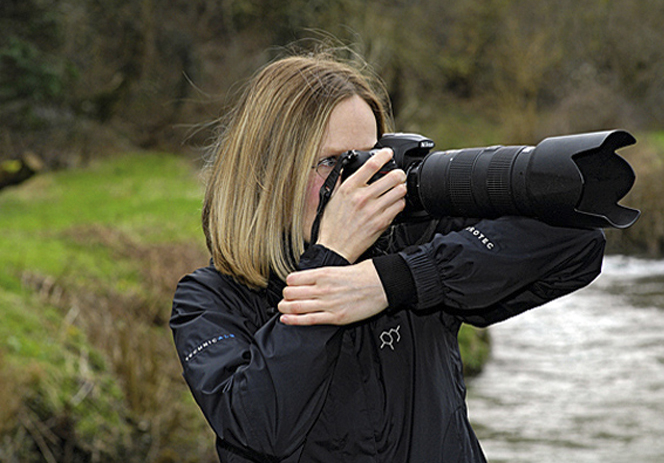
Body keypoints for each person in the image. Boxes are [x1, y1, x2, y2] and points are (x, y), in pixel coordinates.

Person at [170, 50, 606, 463]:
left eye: (367, 157)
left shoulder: (409, 241)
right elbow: (259, 429)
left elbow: (577, 242)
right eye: (331, 161)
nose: (360, 180)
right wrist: (331, 257)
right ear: (268, 171)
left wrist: (396, 280)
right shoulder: (209, 300)